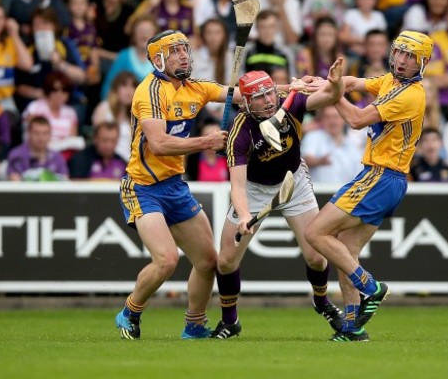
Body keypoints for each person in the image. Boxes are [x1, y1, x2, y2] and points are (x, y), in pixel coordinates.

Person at [305, 31, 433, 341]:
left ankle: (372, 287)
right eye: (399, 53)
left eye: (410, 57)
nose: (401, 61)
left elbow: (357, 119)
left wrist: (332, 94)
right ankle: (353, 327)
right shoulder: (391, 81)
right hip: (387, 180)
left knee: (314, 233)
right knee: (345, 253)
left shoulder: (411, 94)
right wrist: (324, 83)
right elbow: (354, 83)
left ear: (422, 64)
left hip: (380, 176)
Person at [212, 63, 347, 339]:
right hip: (254, 188)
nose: (269, 100)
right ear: (246, 102)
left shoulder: (291, 103)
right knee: (226, 260)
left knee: (318, 256)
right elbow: (236, 186)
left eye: (270, 93)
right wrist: (244, 214)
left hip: (293, 180)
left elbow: (331, 97)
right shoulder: (240, 132)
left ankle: (322, 302)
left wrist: (335, 82)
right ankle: (230, 321)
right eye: (260, 97)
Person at [115, 29, 233, 341]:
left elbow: (243, 91)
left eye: (185, 49)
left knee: (208, 261)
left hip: (174, 187)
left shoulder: (196, 88)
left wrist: (293, 87)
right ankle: (130, 311)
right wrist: (207, 141)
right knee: (166, 260)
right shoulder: (150, 91)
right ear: (158, 59)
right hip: (142, 186)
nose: (183, 55)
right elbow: (158, 144)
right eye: (175, 51)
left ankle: (194, 325)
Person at [301, 105, 362, 184]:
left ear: (343, 119)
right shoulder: (313, 137)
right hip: (318, 194)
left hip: (345, 194)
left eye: (335, 117)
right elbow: (304, 161)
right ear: (321, 120)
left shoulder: (353, 144)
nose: (332, 121)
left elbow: (358, 174)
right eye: (327, 117)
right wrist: (318, 161)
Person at [7, 116, 69, 181]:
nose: (41, 137)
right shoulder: (17, 155)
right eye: (36, 133)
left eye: (45, 133)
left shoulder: (57, 158)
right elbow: (15, 184)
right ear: (29, 134)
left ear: (50, 135)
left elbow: (65, 182)